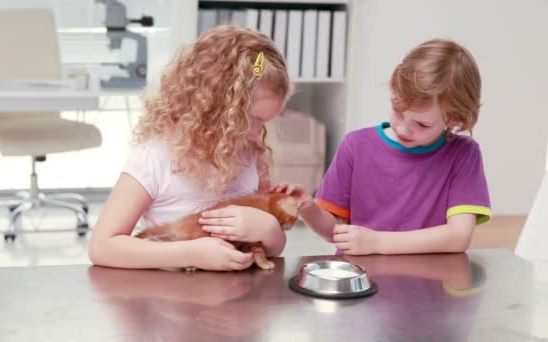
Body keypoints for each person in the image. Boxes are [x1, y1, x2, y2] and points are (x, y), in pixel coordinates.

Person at [88, 25, 292, 270]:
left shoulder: (252, 157)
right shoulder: (155, 158)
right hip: (170, 298)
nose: (258, 135)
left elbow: (272, 248)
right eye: (252, 121)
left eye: (265, 123)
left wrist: (270, 231)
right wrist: (190, 254)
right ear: (212, 110)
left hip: (236, 301)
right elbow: (102, 247)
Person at [272, 38, 490, 255]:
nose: (404, 129)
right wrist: (308, 208)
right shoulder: (356, 146)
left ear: (454, 119)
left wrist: (377, 243)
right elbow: (335, 232)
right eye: (397, 111)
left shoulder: (464, 154)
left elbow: (458, 237)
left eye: (422, 124)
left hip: (429, 282)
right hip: (360, 280)